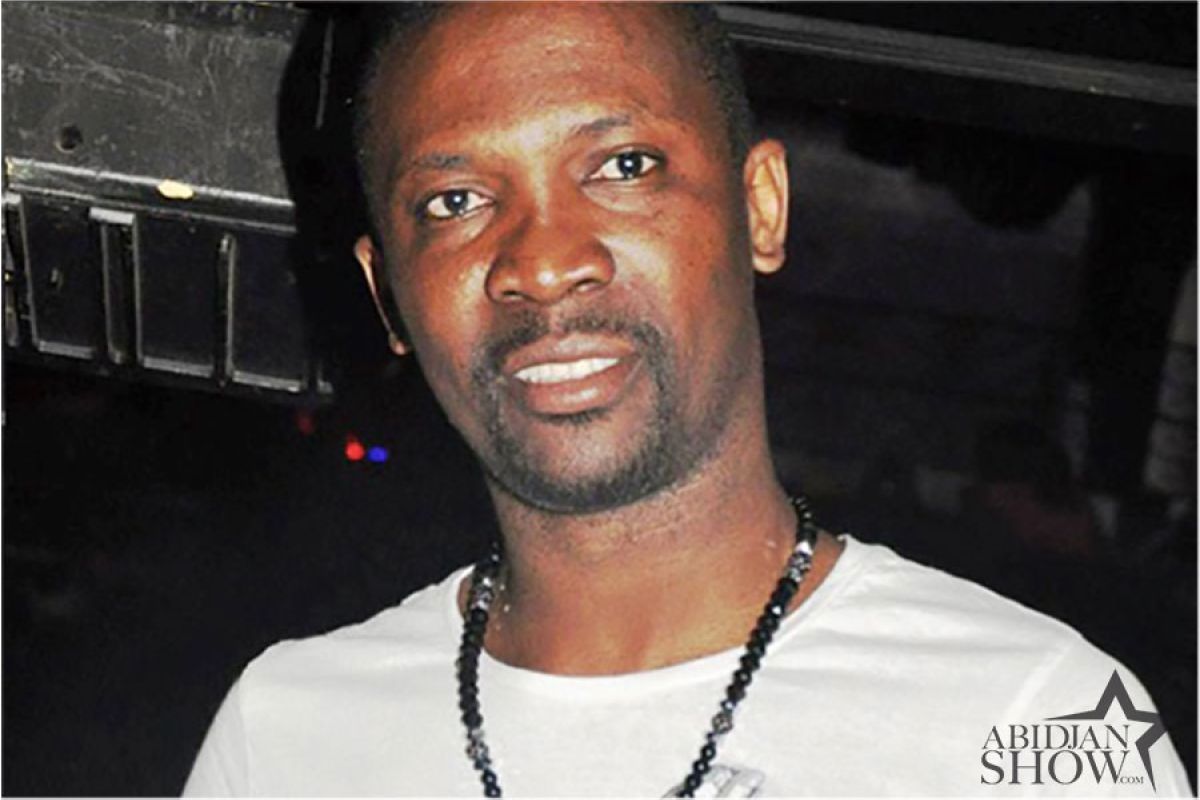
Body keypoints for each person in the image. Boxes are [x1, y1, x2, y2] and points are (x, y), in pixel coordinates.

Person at [184, 5, 1190, 796]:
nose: (543, 262)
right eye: (456, 201)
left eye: (623, 166)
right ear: (386, 294)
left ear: (761, 208)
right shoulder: (287, 734)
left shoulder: (1035, 719)